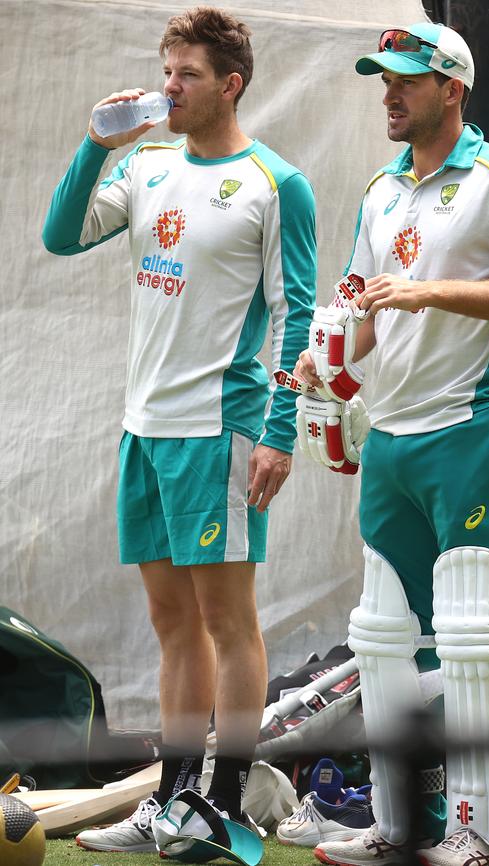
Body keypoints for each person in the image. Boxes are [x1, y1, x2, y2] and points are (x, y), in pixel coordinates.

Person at [42, 5, 316, 855]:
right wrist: (96, 144)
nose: (169, 88)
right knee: (171, 621)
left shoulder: (278, 184)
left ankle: (224, 803)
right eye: (167, 71)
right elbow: (60, 237)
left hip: (220, 429)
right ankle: (170, 799)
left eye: (186, 75)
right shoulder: (149, 164)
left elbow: (297, 312)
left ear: (228, 85)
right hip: (145, 427)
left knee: (228, 619)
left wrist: (280, 431)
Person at [293, 21, 489, 866]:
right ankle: (399, 823)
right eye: (384, 79)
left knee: (479, 633)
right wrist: (326, 357)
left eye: (407, 79)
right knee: (383, 636)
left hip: (475, 425)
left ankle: (488, 835)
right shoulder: (380, 188)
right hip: (393, 437)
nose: (389, 93)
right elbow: (366, 312)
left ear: (454, 89)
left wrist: (427, 291)